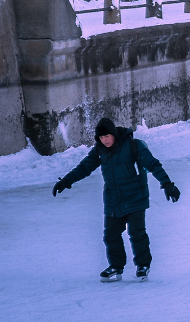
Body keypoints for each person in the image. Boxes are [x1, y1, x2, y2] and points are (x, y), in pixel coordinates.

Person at [52, 117, 180, 282]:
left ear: (114, 133)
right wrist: (66, 181)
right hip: (113, 199)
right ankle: (116, 267)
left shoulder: (133, 145)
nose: (104, 140)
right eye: (101, 137)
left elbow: (153, 164)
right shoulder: (100, 150)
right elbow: (84, 167)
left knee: (136, 233)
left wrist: (167, 184)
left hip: (135, 196)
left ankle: (143, 265)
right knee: (110, 235)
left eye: (107, 136)